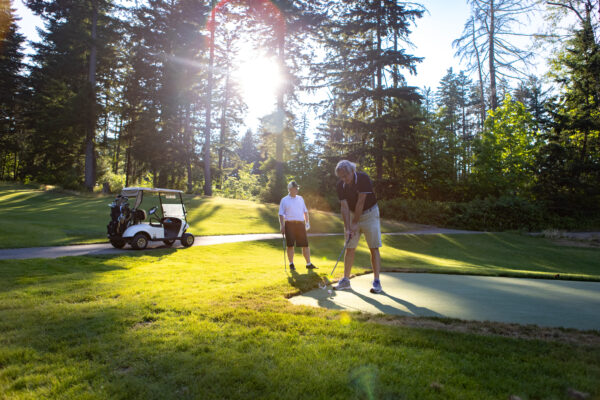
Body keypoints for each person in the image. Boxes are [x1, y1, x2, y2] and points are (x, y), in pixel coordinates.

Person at [333, 160, 382, 293]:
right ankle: (345, 280)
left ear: (352, 171)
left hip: (370, 214)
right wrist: (348, 228)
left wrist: (354, 224)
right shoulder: (340, 185)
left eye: (345, 176)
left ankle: (377, 282)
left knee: (373, 247)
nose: (344, 179)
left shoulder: (363, 178)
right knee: (349, 247)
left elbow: (361, 202)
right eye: (341, 177)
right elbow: (344, 207)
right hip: (352, 213)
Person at [278, 181, 316, 271]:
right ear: (290, 189)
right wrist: (282, 225)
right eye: (295, 188)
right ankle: (291, 264)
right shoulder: (284, 200)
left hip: (300, 224)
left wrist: (307, 222)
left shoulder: (300, 198)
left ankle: (308, 263)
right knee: (290, 245)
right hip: (289, 224)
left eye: (297, 188)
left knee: (305, 245)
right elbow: (280, 214)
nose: (297, 190)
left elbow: (305, 211)